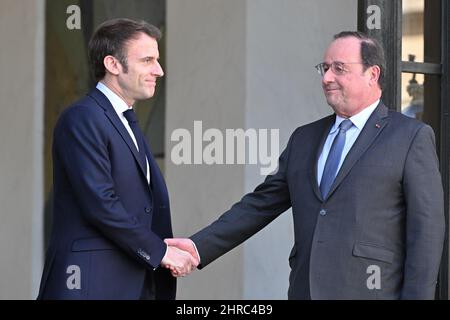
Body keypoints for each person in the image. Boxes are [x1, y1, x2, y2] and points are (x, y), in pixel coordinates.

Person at [165, 31, 445, 299]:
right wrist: (198, 247)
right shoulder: (304, 138)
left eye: (339, 68)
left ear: (372, 74)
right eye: (324, 68)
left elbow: (427, 232)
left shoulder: (409, 136)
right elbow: (259, 205)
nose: (326, 78)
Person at [38, 18, 197, 300]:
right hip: (89, 286)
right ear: (112, 65)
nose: (158, 71)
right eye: (147, 60)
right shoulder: (82, 118)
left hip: (134, 284)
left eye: (157, 60)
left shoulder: (124, 121)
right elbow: (101, 203)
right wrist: (161, 252)